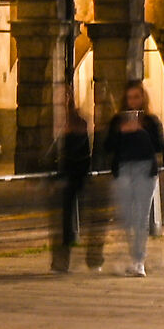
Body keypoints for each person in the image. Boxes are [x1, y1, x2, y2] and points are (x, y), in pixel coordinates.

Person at [106, 80, 164, 275]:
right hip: (123, 170)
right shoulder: (117, 121)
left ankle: (139, 260)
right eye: (129, 97)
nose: (133, 101)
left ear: (143, 98)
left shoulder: (150, 121)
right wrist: (121, 132)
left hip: (145, 170)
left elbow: (158, 146)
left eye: (137, 97)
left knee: (141, 216)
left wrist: (141, 131)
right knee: (127, 217)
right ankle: (134, 256)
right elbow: (108, 146)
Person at [55, 98, 95, 271]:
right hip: (69, 174)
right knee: (66, 217)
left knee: (76, 215)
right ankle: (65, 257)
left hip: (77, 173)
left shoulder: (77, 124)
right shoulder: (63, 123)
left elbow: (80, 149)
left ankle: (84, 255)